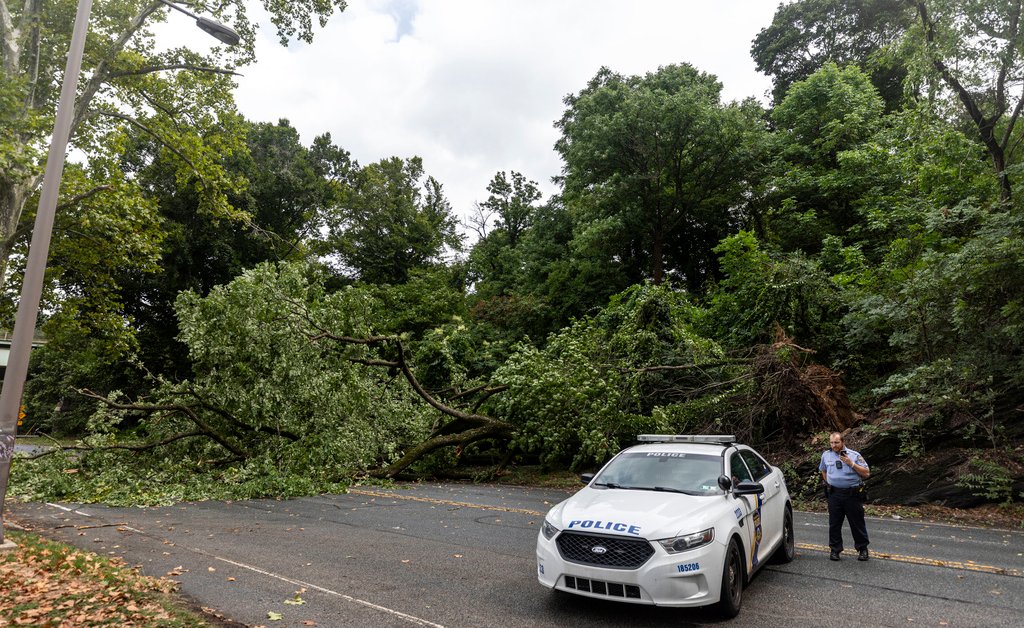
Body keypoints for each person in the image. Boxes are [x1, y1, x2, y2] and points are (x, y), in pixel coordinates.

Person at [819, 432, 870, 561]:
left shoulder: (854, 455)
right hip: (834, 494)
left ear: (843, 442)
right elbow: (823, 471)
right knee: (834, 523)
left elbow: (866, 473)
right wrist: (829, 483)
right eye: (831, 443)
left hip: (852, 495)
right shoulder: (826, 455)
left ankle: (862, 549)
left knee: (857, 523)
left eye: (836, 442)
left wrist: (851, 463)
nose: (833, 445)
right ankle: (835, 550)